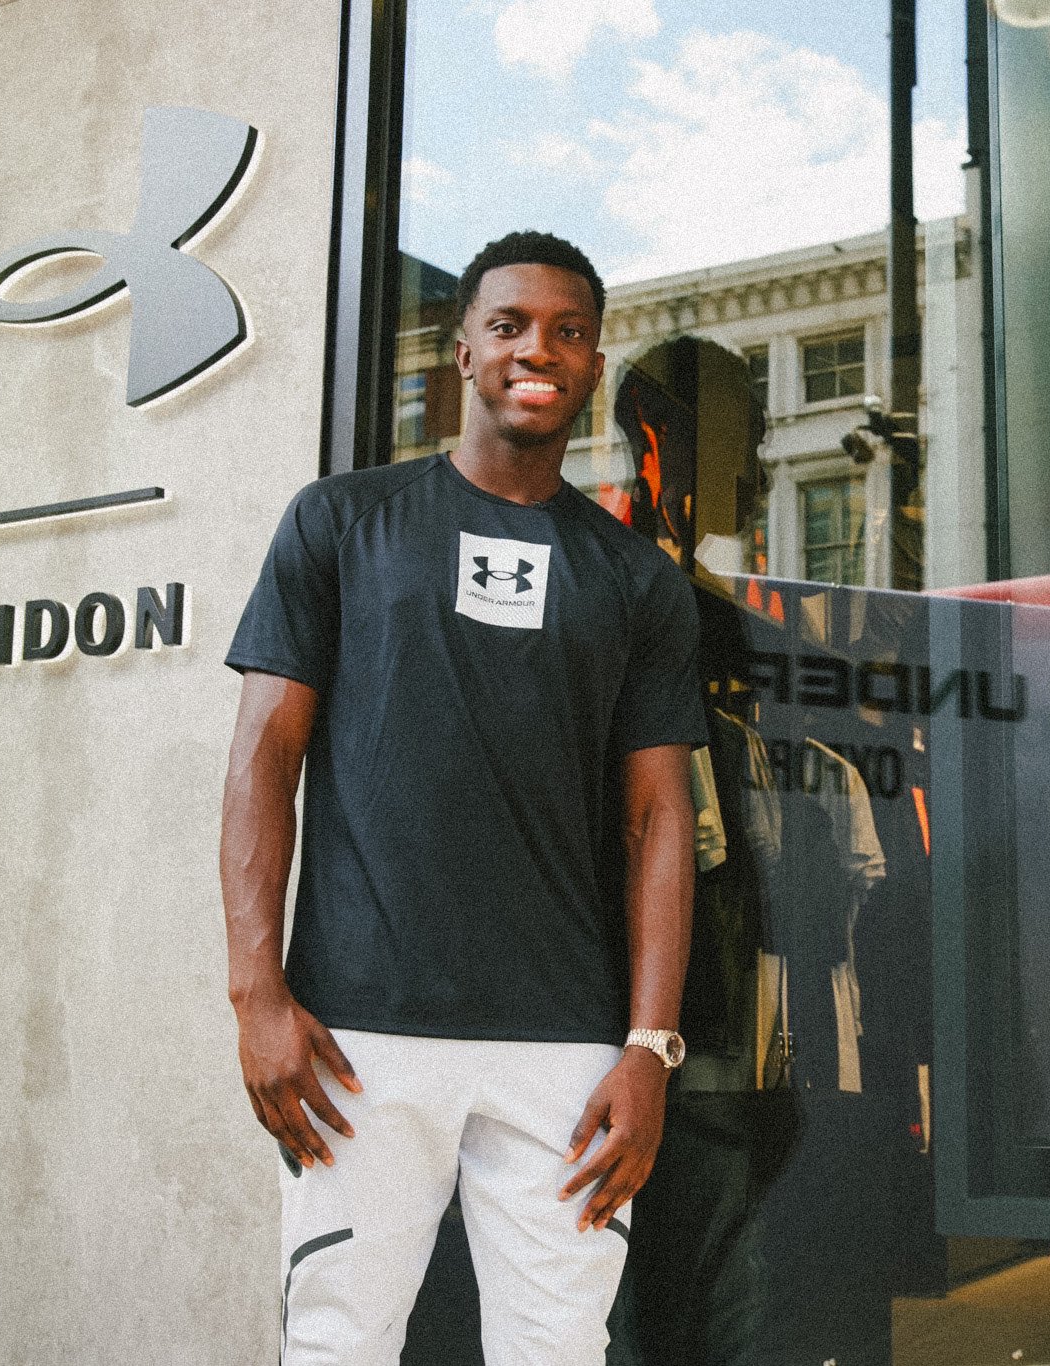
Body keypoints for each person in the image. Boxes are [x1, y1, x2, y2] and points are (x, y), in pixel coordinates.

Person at [218, 230, 704, 1366]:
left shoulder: (636, 582)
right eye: (511, 325)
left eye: (569, 331)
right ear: (463, 352)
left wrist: (648, 1045)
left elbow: (659, 818)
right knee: (339, 1341)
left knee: (558, 1351)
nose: (539, 349)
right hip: (355, 1037)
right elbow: (261, 761)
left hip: (567, 1052)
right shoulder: (339, 523)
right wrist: (256, 993)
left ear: (591, 362)